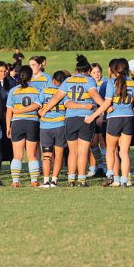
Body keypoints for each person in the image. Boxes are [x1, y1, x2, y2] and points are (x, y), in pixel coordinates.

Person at [40, 55, 106, 187]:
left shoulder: (68, 81)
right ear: (87, 71)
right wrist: (105, 106)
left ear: (76, 70)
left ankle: (71, 180)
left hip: (71, 120)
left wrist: (45, 110)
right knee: (83, 151)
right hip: (86, 119)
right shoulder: (89, 80)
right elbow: (95, 96)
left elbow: (56, 97)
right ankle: (81, 180)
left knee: (72, 152)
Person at [86, 59, 134, 188]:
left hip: (114, 119)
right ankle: (124, 180)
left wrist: (92, 116)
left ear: (115, 70)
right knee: (124, 152)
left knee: (111, 149)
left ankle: (110, 174)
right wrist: (128, 111)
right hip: (129, 119)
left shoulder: (111, 82)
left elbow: (106, 104)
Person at [5, 66, 41, 187]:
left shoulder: (13, 91)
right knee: (32, 155)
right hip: (32, 123)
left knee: (17, 155)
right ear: (31, 76)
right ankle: (34, 181)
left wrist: (8, 127)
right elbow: (38, 106)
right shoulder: (36, 90)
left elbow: (9, 111)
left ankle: (15, 182)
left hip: (17, 123)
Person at [35, 70, 70, 187]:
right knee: (58, 155)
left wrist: (40, 112)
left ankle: (45, 181)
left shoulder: (44, 90)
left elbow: (37, 105)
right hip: (60, 125)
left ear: (53, 80)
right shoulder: (65, 92)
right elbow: (67, 105)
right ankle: (54, 180)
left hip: (45, 127)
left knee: (46, 155)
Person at [88, 62, 106, 178]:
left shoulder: (105, 83)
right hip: (91, 116)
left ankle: (106, 168)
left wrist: (102, 115)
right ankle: (99, 166)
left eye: (98, 72)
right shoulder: (88, 83)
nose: (96, 74)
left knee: (103, 142)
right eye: (94, 72)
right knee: (93, 143)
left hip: (102, 116)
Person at [0, 61, 14, 162]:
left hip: (8, 116)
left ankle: (12, 163)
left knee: (9, 141)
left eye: (5, 71)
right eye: (1, 71)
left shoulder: (11, 83)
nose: (3, 73)